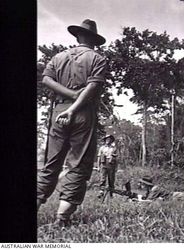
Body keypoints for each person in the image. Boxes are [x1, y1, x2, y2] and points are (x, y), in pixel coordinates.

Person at [37, 19, 107, 227]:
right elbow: (92, 88)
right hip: (82, 112)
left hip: (58, 112)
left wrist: (67, 100)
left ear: (77, 37)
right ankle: (62, 219)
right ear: (94, 40)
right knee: (79, 164)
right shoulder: (97, 58)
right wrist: (74, 105)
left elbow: (46, 80)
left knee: (50, 165)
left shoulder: (58, 57)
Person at [97, 134, 118, 199]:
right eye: (107, 139)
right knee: (102, 178)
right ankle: (101, 192)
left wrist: (116, 167)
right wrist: (98, 166)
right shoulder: (102, 148)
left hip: (111, 164)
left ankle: (111, 194)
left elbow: (116, 158)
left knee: (111, 180)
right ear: (105, 140)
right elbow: (99, 157)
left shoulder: (114, 148)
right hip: (103, 164)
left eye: (109, 139)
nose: (108, 140)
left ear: (111, 140)